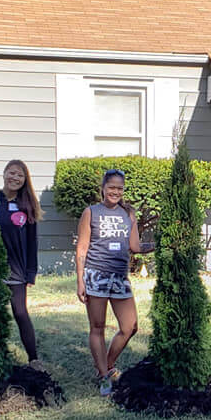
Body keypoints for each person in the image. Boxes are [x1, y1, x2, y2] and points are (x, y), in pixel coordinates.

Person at [75, 169, 153, 396]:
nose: (115, 192)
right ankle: (103, 376)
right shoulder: (91, 212)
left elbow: (136, 247)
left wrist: (162, 243)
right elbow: (81, 248)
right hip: (96, 274)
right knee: (97, 327)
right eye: (111, 187)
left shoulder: (128, 214)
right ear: (103, 188)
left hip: (120, 277)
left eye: (119, 188)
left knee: (130, 326)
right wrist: (80, 281)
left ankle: (106, 366)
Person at [0, 160, 44, 370]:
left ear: (25, 180)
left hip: (17, 269)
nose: (15, 178)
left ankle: (33, 359)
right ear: (5, 173)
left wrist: (30, 273)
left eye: (20, 175)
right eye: (12, 173)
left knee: (20, 312)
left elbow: (32, 243)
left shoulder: (27, 206)